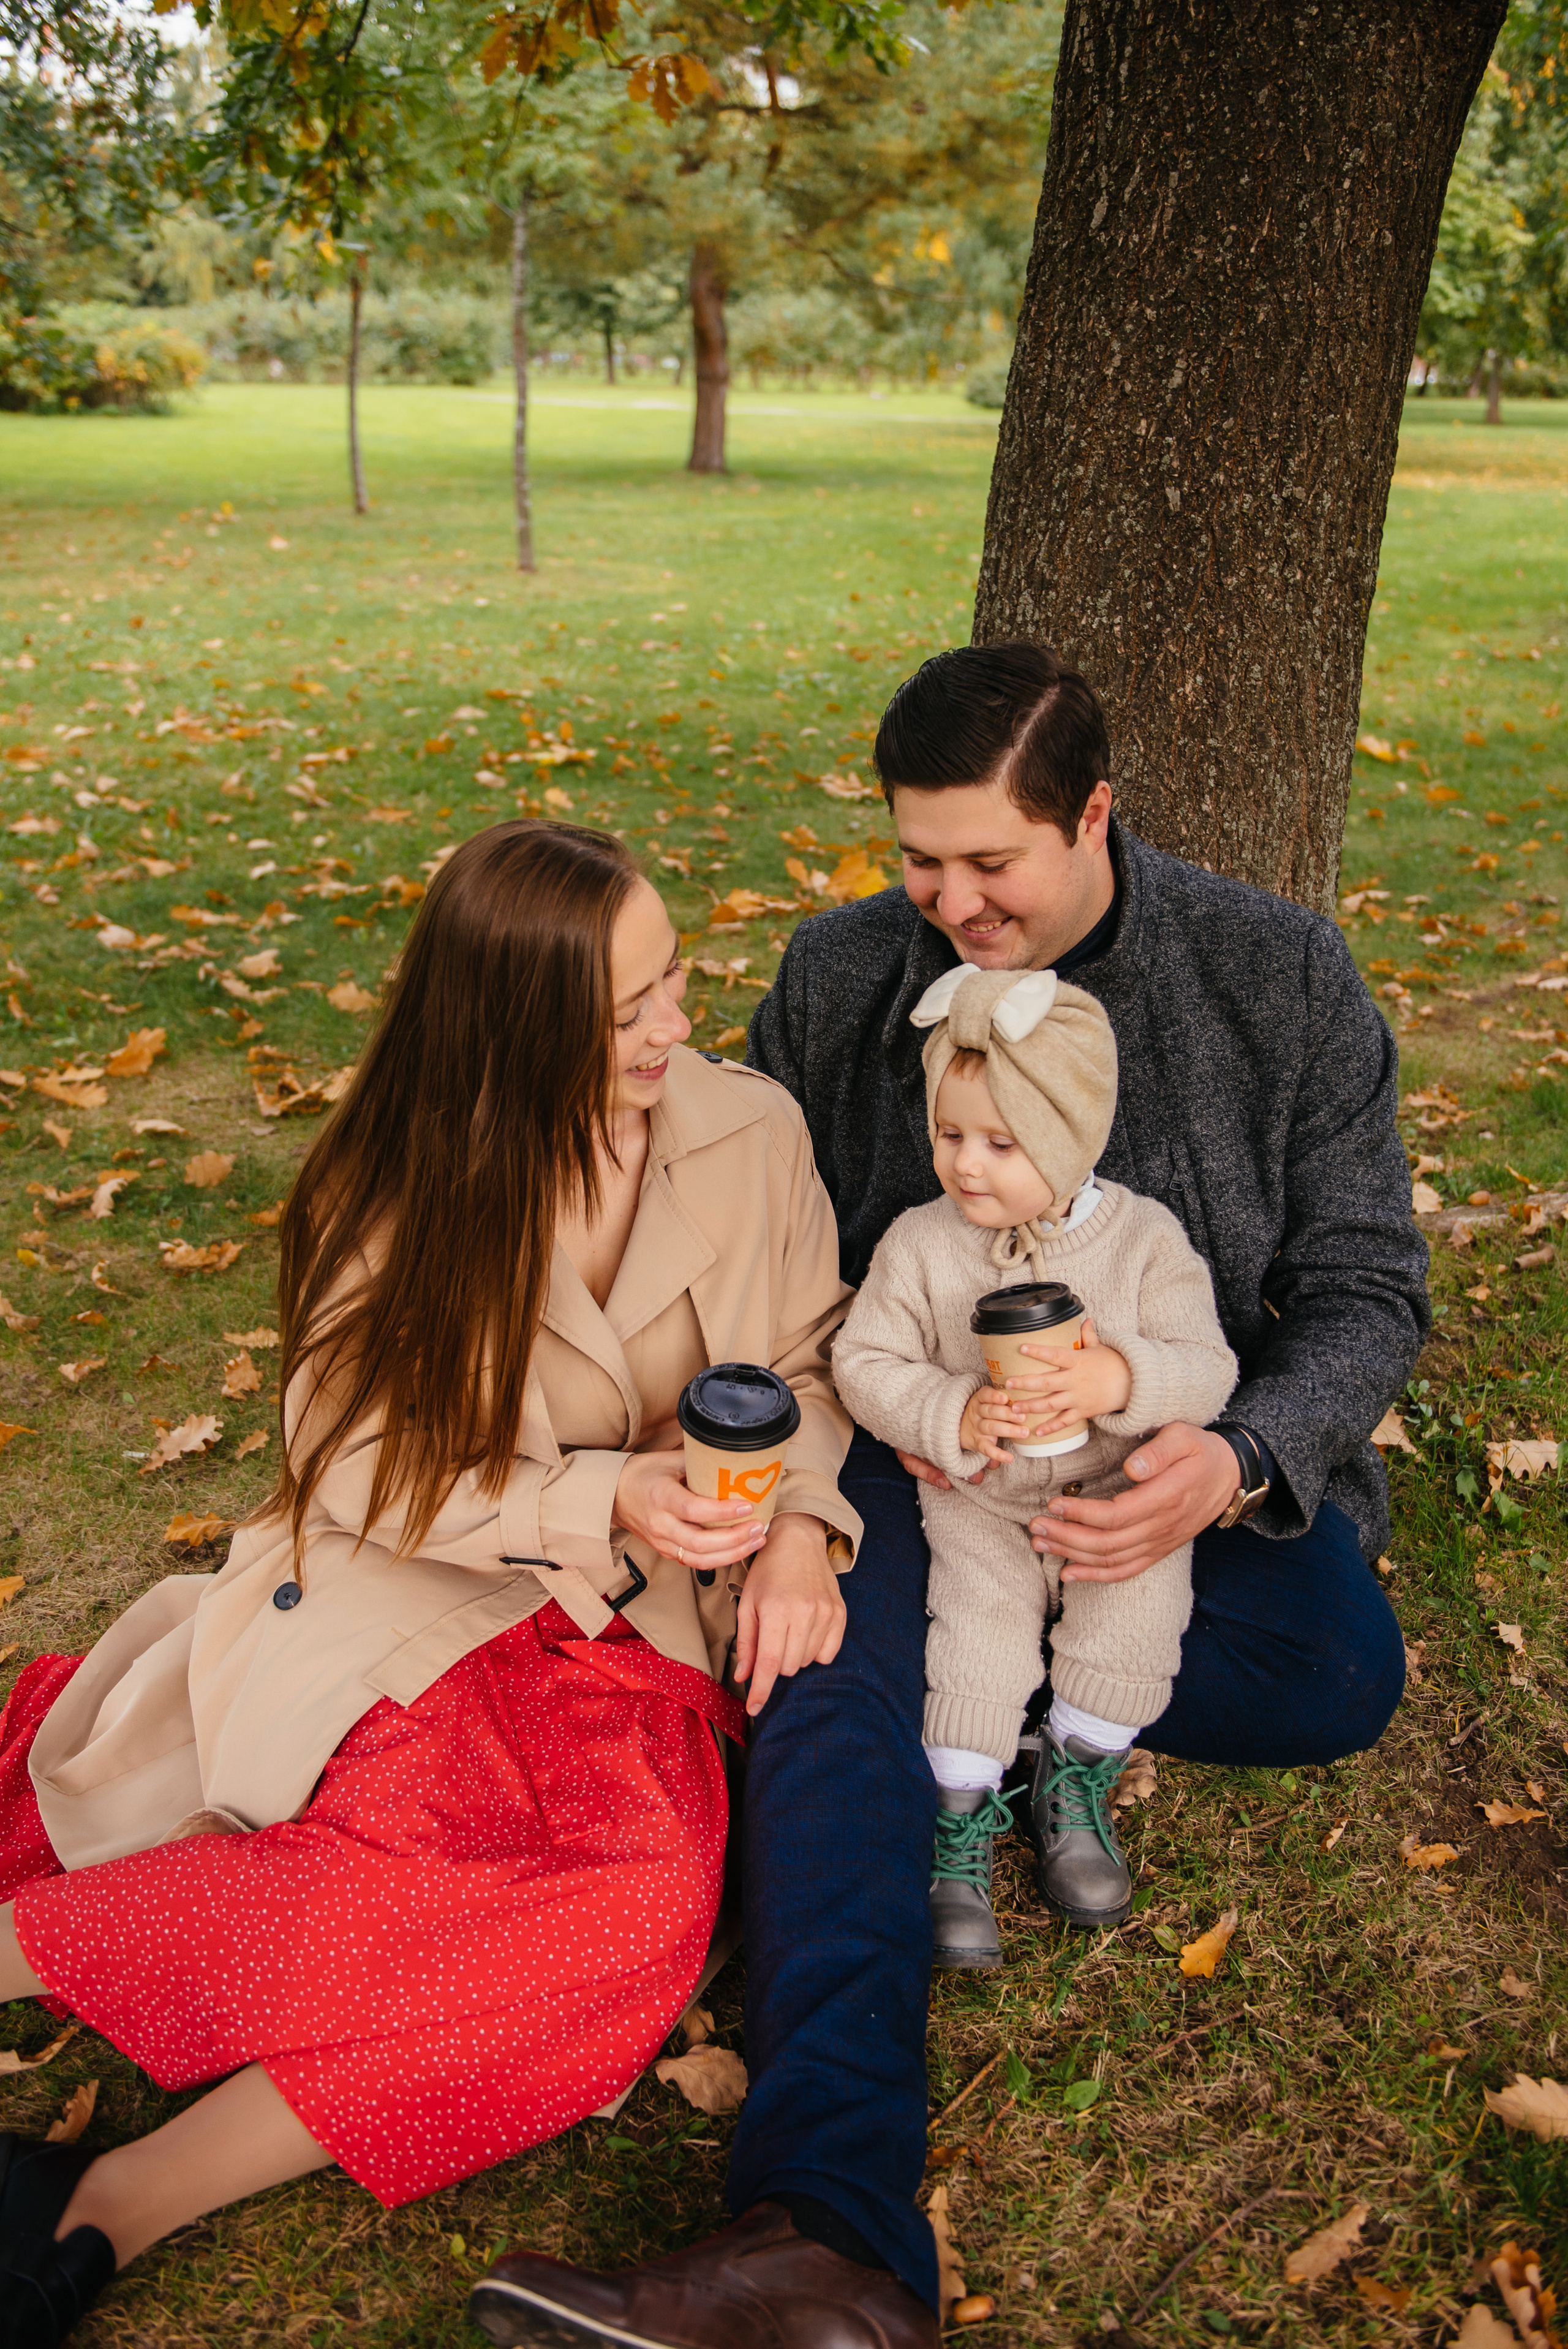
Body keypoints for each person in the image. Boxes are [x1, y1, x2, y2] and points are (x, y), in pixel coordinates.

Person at [480, 640, 1425, 2349]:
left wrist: (1234, 1457)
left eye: (994, 863)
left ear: (1096, 819)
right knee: (826, 1671)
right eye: (920, 860)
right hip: (922, 1457)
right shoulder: (846, 976)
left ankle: (993, 1711)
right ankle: (824, 2232)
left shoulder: (1276, 975)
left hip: (1180, 1472)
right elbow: (759, 1224)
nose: (954, 901)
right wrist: (858, 1456)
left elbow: (1368, 1284)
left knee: (1337, 1675)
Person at [0, 820, 862, 2349]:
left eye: (674, 984)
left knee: (631, 1926)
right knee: (432, 1877)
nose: (675, 1026)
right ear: (519, 1030)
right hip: (424, 1605)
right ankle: (61, 2064)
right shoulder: (398, 1184)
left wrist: (797, 1524)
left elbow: (803, 1364)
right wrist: (603, 1488)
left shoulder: (753, 1130)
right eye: (628, 1013)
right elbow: (354, 1464)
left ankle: (109, 2202)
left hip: (638, 1639)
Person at [832, 964, 1237, 1950]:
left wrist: (1118, 1380)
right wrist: (949, 1408)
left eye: (1002, 1143)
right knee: (973, 1633)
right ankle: (960, 1819)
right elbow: (862, 1361)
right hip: (982, 1501)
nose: (967, 1165)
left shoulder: (1143, 1241)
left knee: (1137, 1616)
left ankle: (1076, 1766)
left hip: (1113, 1490)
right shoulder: (921, 1245)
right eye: (949, 1133)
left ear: (1073, 1134)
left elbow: (1208, 1364)